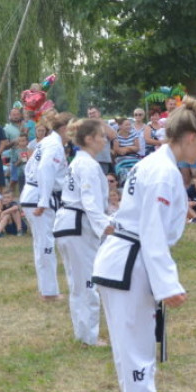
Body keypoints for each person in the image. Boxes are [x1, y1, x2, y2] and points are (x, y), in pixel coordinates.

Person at [90, 97, 196, 392]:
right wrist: (168, 284)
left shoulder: (159, 164)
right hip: (130, 265)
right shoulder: (162, 171)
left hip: (128, 261)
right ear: (191, 136)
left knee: (139, 355)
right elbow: (152, 231)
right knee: (135, 358)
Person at [53, 118, 112, 347]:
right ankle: (89, 336)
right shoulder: (86, 164)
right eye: (102, 136)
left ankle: (84, 333)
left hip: (70, 224)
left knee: (78, 283)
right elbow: (89, 200)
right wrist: (105, 226)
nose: (105, 140)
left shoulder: (80, 161)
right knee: (87, 283)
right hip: (78, 225)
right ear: (89, 139)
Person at [21, 112, 74, 300]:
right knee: (46, 244)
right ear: (64, 128)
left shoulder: (48, 142)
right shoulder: (53, 145)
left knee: (41, 243)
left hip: (35, 193)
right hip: (39, 197)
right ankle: (49, 292)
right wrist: (43, 201)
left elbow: (30, 166)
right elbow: (44, 169)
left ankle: (45, 288)